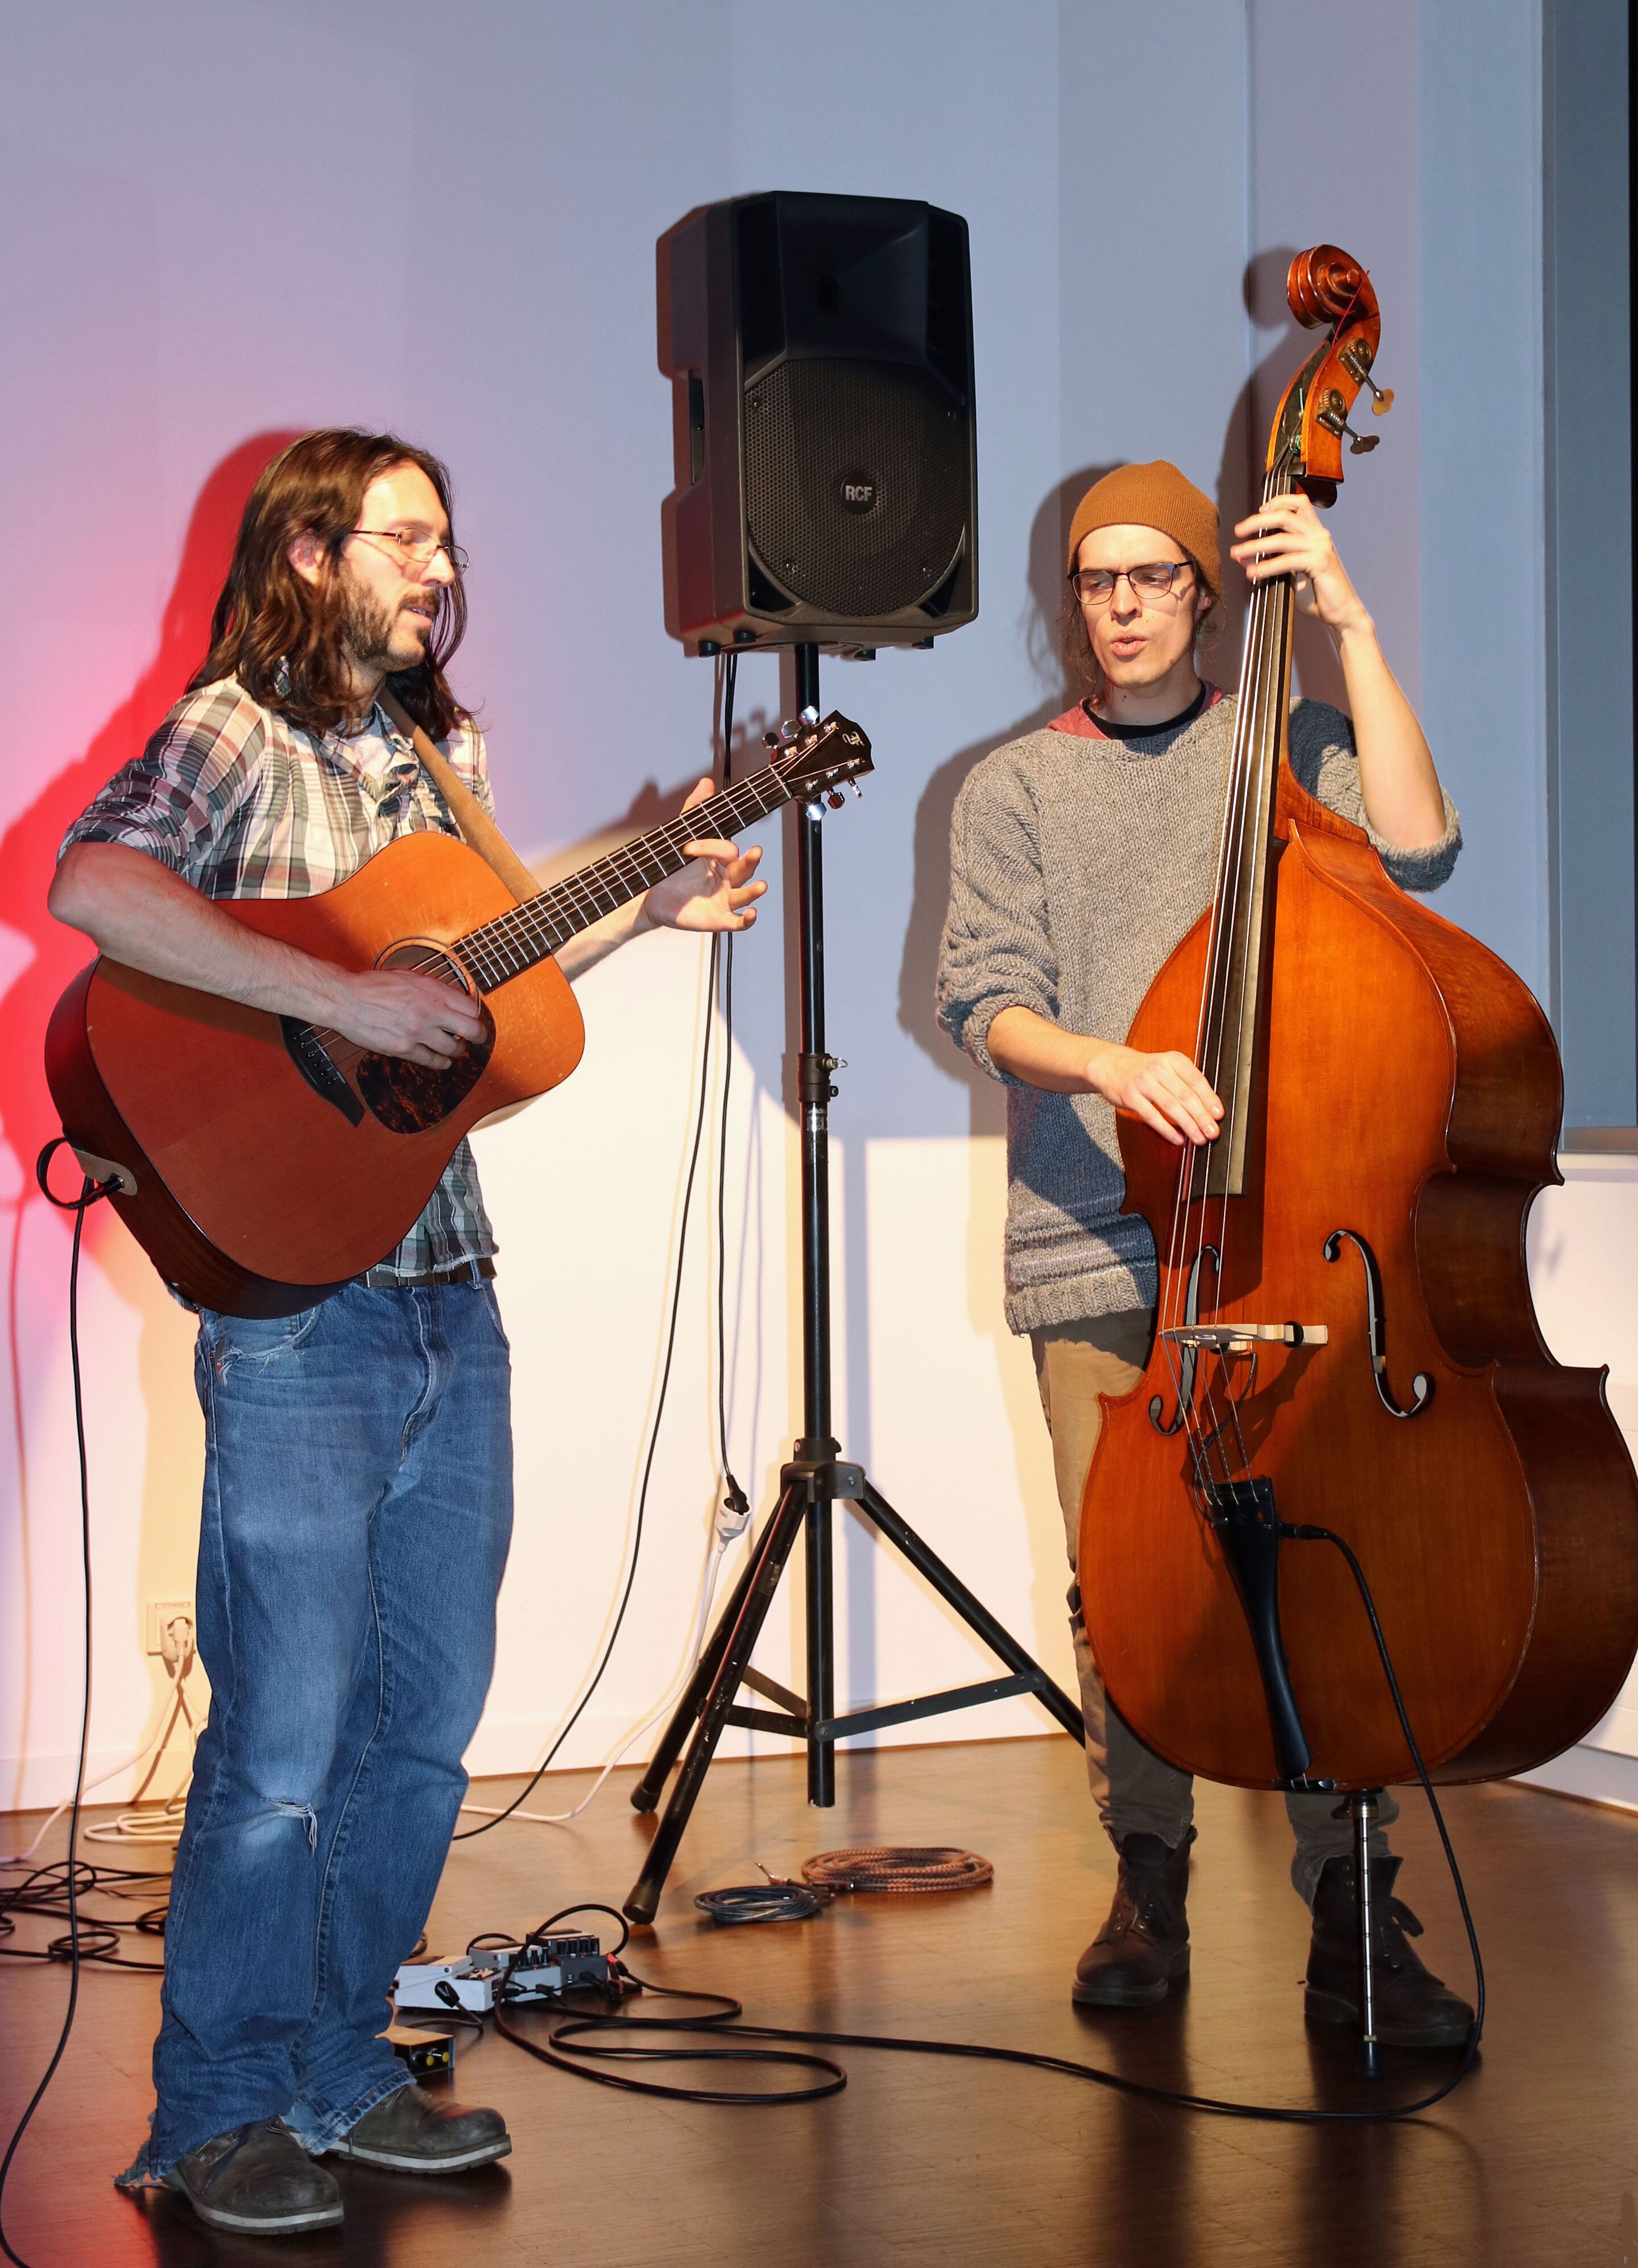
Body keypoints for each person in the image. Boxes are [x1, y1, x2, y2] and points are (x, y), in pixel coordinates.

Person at [47, 429, 766, 2237]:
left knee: (427, 1728)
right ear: (310, 554)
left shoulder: (450, 759)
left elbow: (476, 994)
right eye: (406, 537)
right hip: (301, 1316)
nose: (442, 567)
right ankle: (213, 2108)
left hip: (451, 1286)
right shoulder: (232, 731)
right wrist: (333, 993)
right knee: (282, 1747)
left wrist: (647, 896)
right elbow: (96, 886)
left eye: (448, 539)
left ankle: (336, 2060)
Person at [936, 459, 1474, 2043]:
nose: (1121, 606)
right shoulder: (1014, 786)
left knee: (1318, 1561)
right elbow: (983, 1001)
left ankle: (1352, 1902)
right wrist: (1112, 1064)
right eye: (1096, 581)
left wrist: (1352, 621)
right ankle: (1148, 1876)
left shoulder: (1283, 751)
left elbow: (1425, 849)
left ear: (1205, 589)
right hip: (1097, 1231)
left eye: (1153, 576)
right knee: (1128, 1583)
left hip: (1287, 1235)